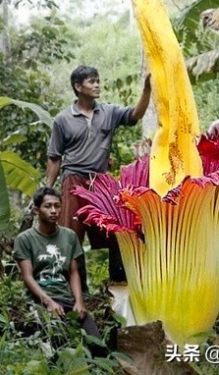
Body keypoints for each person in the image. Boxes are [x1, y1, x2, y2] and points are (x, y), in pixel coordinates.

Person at [46, 65, 151, 287]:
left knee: (116, 230)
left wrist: (147, 90)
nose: (97, 85)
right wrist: (48, 189)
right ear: (78, 86)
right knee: (71, 236)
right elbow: (54, 157)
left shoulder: (109, 112)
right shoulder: (63, 119)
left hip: (100, 183)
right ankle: (75, 292)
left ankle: (119, 283)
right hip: (73, 179)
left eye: (98, 81)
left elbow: (135, 115)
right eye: (92, 81)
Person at [13, 187, 102, 347]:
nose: (53, 211)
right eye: (48, 206)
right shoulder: (24, 239)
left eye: (57, 206)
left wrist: (79, 302)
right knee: (59, 343)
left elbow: (74, 272)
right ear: (36, 210)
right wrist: (48, 302)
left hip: (66, 298)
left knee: (97, 345)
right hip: (39, 300)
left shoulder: (69, 236)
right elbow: (27, 276)